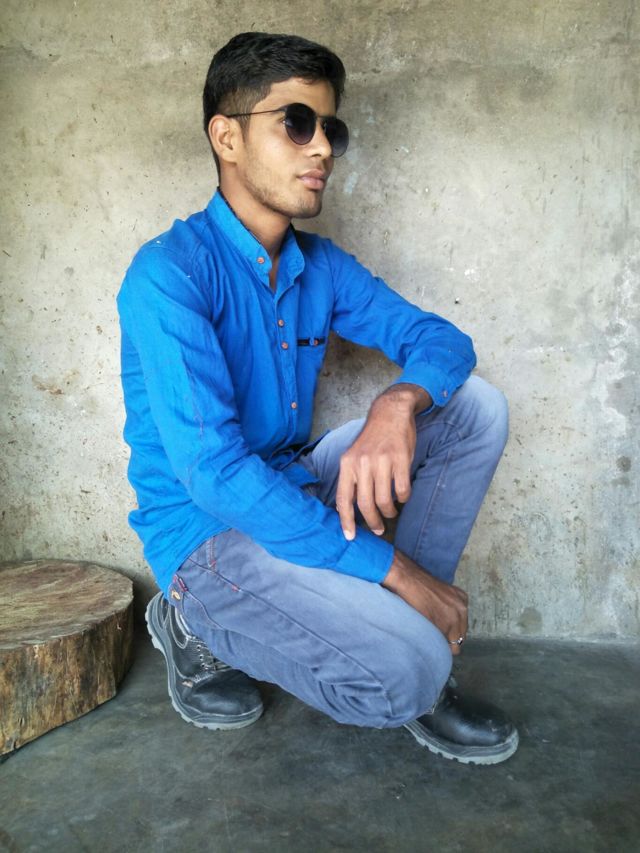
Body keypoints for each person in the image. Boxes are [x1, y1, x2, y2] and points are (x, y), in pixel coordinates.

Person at [117, 31, 518, 765]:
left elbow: (441, 341)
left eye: (331, 128)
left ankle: (411, 630)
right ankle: (191, 622)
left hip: (294, 484)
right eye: (296, 123)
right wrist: (396, 570)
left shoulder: (318, 265)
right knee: (407, 675)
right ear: (227, 137)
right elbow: (215, 473)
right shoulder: (168, 274)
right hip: (210, 537)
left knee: (474, 409)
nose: (323, 147)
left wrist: (398, 403)